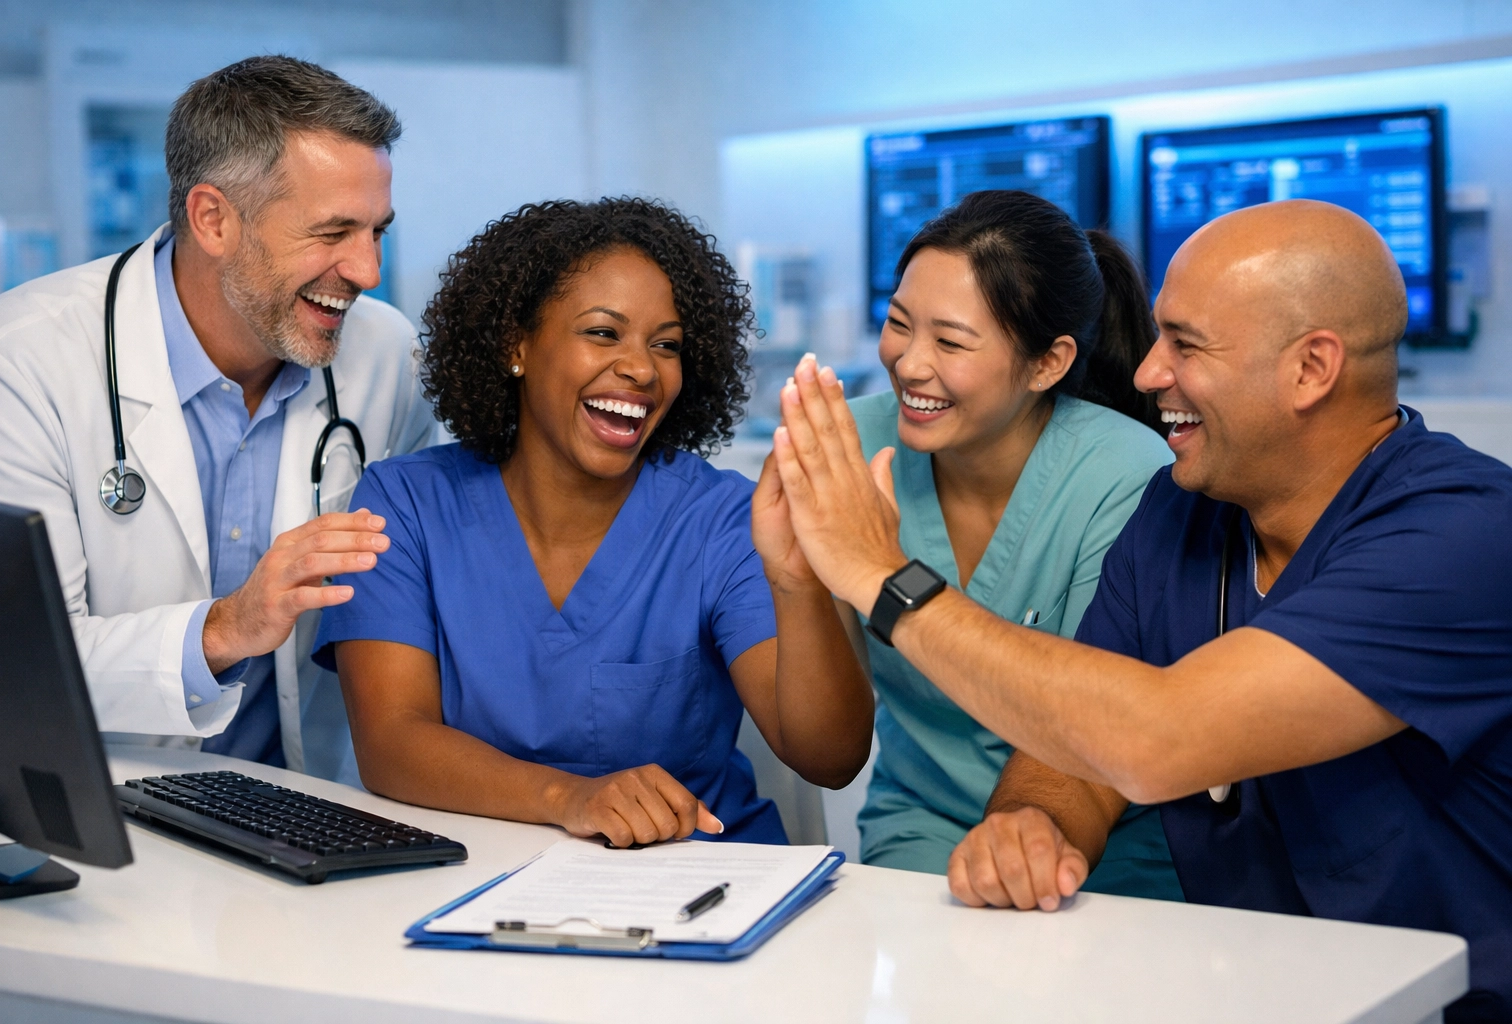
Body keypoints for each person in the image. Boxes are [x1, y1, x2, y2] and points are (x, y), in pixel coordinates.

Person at [766, 199, 1512, 1022]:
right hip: (1251, 983)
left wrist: (882, 578)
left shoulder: (1462, 533)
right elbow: (1077, 747)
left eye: (1185, 345)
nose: (1149, 373)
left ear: (1311, 369)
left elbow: (1159, 737)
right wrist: (1033, 824)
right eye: (1158, 336)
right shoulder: (1180, 513)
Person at [312, 198, 872, 847]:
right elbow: (391, 743)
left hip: (702, 885)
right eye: (603, 333)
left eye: (667, 345)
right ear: (515, 343)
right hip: (476, 882)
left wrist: (803, 583)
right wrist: (570, 798)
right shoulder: (406, 507)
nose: (641, 369)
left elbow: (831, 760)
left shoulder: (720, 522)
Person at [0, 56, 435, 783]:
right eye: (333, 232)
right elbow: (14, 665)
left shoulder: (385, 357)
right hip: (111, 809)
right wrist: (227, 626)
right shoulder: (17, 361)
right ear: (213, 218)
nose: (367, 270)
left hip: (307, 803)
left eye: (377, 231)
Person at [813, 190, 1180, 898]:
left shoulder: (1124, 474)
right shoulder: (847, 446)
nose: (910, 364)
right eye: (897, 324)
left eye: (950, 342)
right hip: (923, 826)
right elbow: (827, 743)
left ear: (1047, 364)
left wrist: (879, 572)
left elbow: (1095, 725)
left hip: (1109, 837)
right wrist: (794, 576)